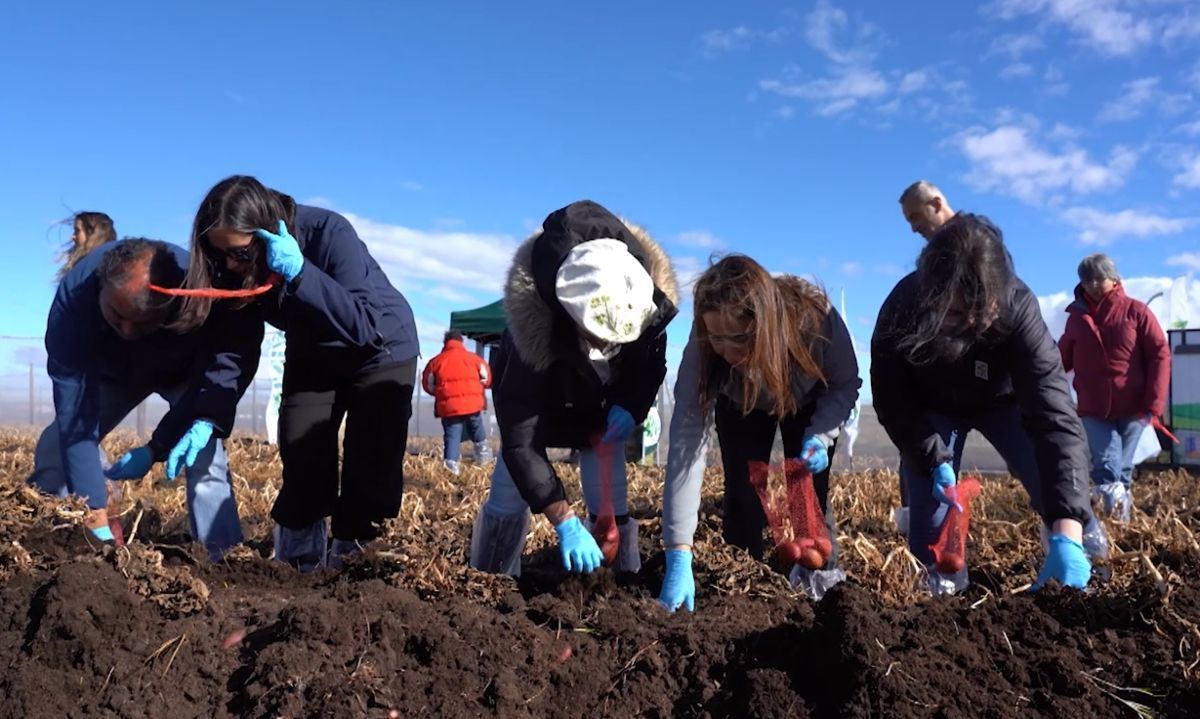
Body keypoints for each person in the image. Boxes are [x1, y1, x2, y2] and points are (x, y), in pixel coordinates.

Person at [170, 175, 419, 571]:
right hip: (313, 350)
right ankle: (297, 564)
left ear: (267, 234)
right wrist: (209, 414)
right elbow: (233, 349)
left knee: (370, 462)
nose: (231, 265)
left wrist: (302, 274)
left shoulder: (328, 232)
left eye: (240, 253)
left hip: (380, 347)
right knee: (301, 448)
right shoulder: (232, 270)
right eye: (219, 256)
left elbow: (363, 324)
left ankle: (353, 561)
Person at [871, 214, 1107, 595]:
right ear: (932, 295)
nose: (967, 325)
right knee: (933, 531)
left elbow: (1055, 415)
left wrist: (1068, 528)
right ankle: (941, 604)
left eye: (978, 313)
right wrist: (931, 458)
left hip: (1003, 402)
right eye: (954, 314)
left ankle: (1082, 557)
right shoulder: (902, 309)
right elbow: (892, 399)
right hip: (933, 409)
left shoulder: (1019, 308)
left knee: (1049, 481)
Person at [468, 200, 678, 577]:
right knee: (506, 497)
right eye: (597, 335)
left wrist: (631, 407)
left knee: (610, 502)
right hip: (540, 416)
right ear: (570, 311)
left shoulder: (644, 303)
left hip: (600, 423)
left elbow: (649, 368)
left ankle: (618, 583)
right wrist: (563, 519)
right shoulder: (529, 336)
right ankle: (487, 582)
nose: (607, 345)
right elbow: (521, 442)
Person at [28, 238, 261, 558]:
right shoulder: (76, 298)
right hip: (115, 375)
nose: (126, 330)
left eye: (142, 321)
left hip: (184, 376)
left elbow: (218, 376)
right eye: (116, 316)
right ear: (101, 289)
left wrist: (156, 447)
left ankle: (221, 556)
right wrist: (93, 510)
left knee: (204, 456)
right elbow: (74, 413)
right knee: (54, 448)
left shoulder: (200, 291)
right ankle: (50, 546)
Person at [658, 256, 861, 612]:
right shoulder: (707, 345)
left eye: (737, 338)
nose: (725, 351)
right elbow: (687, 435)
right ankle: (744, 587)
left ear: (764, 325)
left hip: (807, 399)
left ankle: (820, 586)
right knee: (743, 490)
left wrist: (821, 435)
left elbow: (844, 384)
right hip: (741, 402)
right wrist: (678, 551)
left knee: (809, 492)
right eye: (715, 338)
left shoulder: (817, 320)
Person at [1059, 253, 1170, 521]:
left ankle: (1118, 526)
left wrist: (1154, 403)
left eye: (1099, 278)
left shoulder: (1136, 311)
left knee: (1122, 471)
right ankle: (1113, 526)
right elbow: (1061, 358)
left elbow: (1159, 354)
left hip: (1134, 407)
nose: (1093, 285)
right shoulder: (1076, 318)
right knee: (1107, 467)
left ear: (1114, 279)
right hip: (1094, 409)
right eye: (1086, 280)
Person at [422, 330, 493, 475]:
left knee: (452, 434)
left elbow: (427, 385)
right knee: (476, 426)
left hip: (449, 406)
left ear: (445, 342)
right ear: (462, 341)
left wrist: (441, 393)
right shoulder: (474, 359)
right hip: (472, 403)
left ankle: (451, 468)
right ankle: (483, 459)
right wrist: (476, 389)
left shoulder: (436, 362)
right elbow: (486, 378)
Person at [57, 211, 117, 279]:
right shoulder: (80, 269)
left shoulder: (106, 269)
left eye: (77, 231)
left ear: (92, 234)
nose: (72, 237)